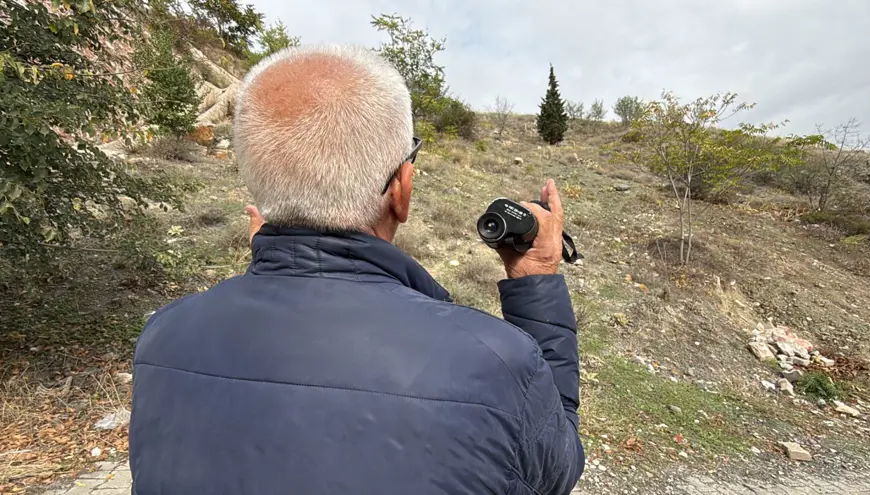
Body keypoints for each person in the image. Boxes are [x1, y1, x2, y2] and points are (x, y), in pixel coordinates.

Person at [129, 44, 584, 495]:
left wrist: (278, 267)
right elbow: (556, 469)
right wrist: (537, 274)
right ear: (401, 191)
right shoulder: (497, 365)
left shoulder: (164, 336)